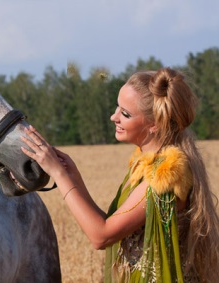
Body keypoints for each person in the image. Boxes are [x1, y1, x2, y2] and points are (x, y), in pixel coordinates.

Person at [21, 67, 219, 282]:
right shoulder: (145, 165)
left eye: (125, 114)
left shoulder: (164, 176)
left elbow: (101, 236)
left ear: (154, 125)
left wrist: (59, 175)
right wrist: (73, 177)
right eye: (117, 107)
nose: (113, 116)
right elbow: (111, 225)